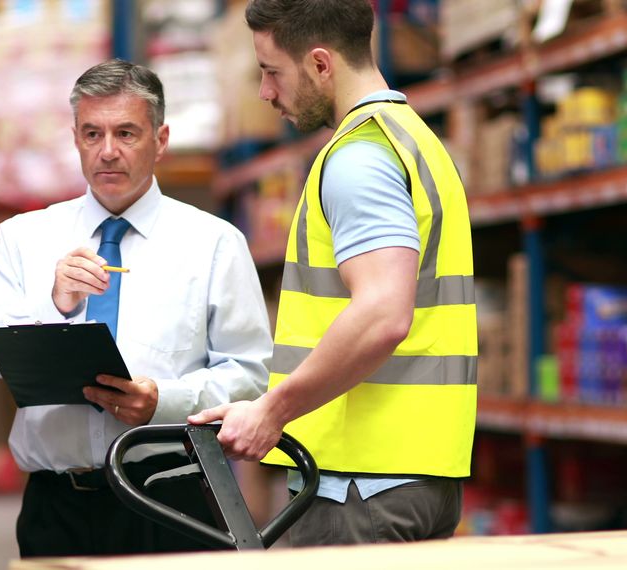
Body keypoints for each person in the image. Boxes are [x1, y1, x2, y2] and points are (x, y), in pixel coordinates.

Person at [189, 0, 477, 546]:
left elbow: (383, 313)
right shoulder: (413, 139)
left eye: (272, 72)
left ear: (321, 64)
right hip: (414, 473)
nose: (265, 93)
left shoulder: (359, 159)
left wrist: (272, 411)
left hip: (361, 487)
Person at [0, 59, 273, 558]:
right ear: (74, 139)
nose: (107, 151)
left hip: (173, 502)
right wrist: (53, 302)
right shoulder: (25, 238)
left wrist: (164, 403)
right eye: (92, 133)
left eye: (126, 133)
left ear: (161, 138)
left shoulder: (214, 243)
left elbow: (251, 375)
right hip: (57, 504)